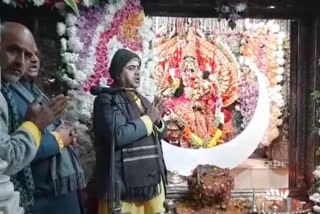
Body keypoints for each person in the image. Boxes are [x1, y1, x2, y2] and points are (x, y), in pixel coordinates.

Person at [9, 38, 86, 214]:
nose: (33, 59)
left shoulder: (34, 92)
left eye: (35, 54)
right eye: (25, 54)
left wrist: (67, 134)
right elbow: (12, 153)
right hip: (43, 196)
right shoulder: (7, 96)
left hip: (61, 191)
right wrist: (58, 139)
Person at [0, 22, 68, 212]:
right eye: (13, 50)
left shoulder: (25, 90)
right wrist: (41, 129)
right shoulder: (9, 91)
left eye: (30, 54)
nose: (22, 61)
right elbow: (7, 158)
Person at [92, 49, 167, 214]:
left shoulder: (141, 99)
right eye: (131, 68)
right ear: (118, 73)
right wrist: (149, 119)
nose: (137, 73)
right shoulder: (106, 100)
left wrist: (158, 121)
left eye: (138, 68)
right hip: (123, 186)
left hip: (150, 182)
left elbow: (159, 135)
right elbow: (118, 135)